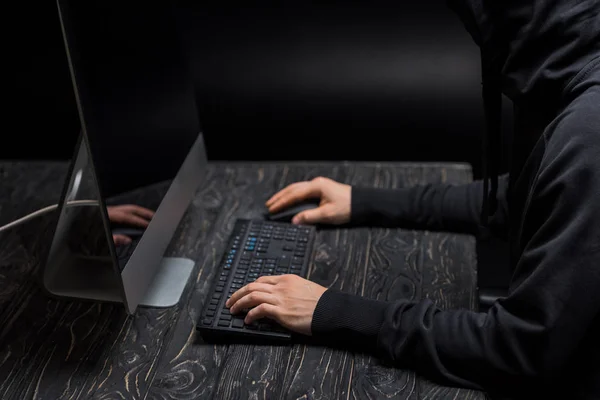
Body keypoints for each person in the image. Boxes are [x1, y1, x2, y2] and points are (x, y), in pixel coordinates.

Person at [225, 1, 600, 399]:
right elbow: (519, 200)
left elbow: (520, 351)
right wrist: (363, 201)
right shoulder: (572, 72)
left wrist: (330, 311)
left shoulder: (589, 134)